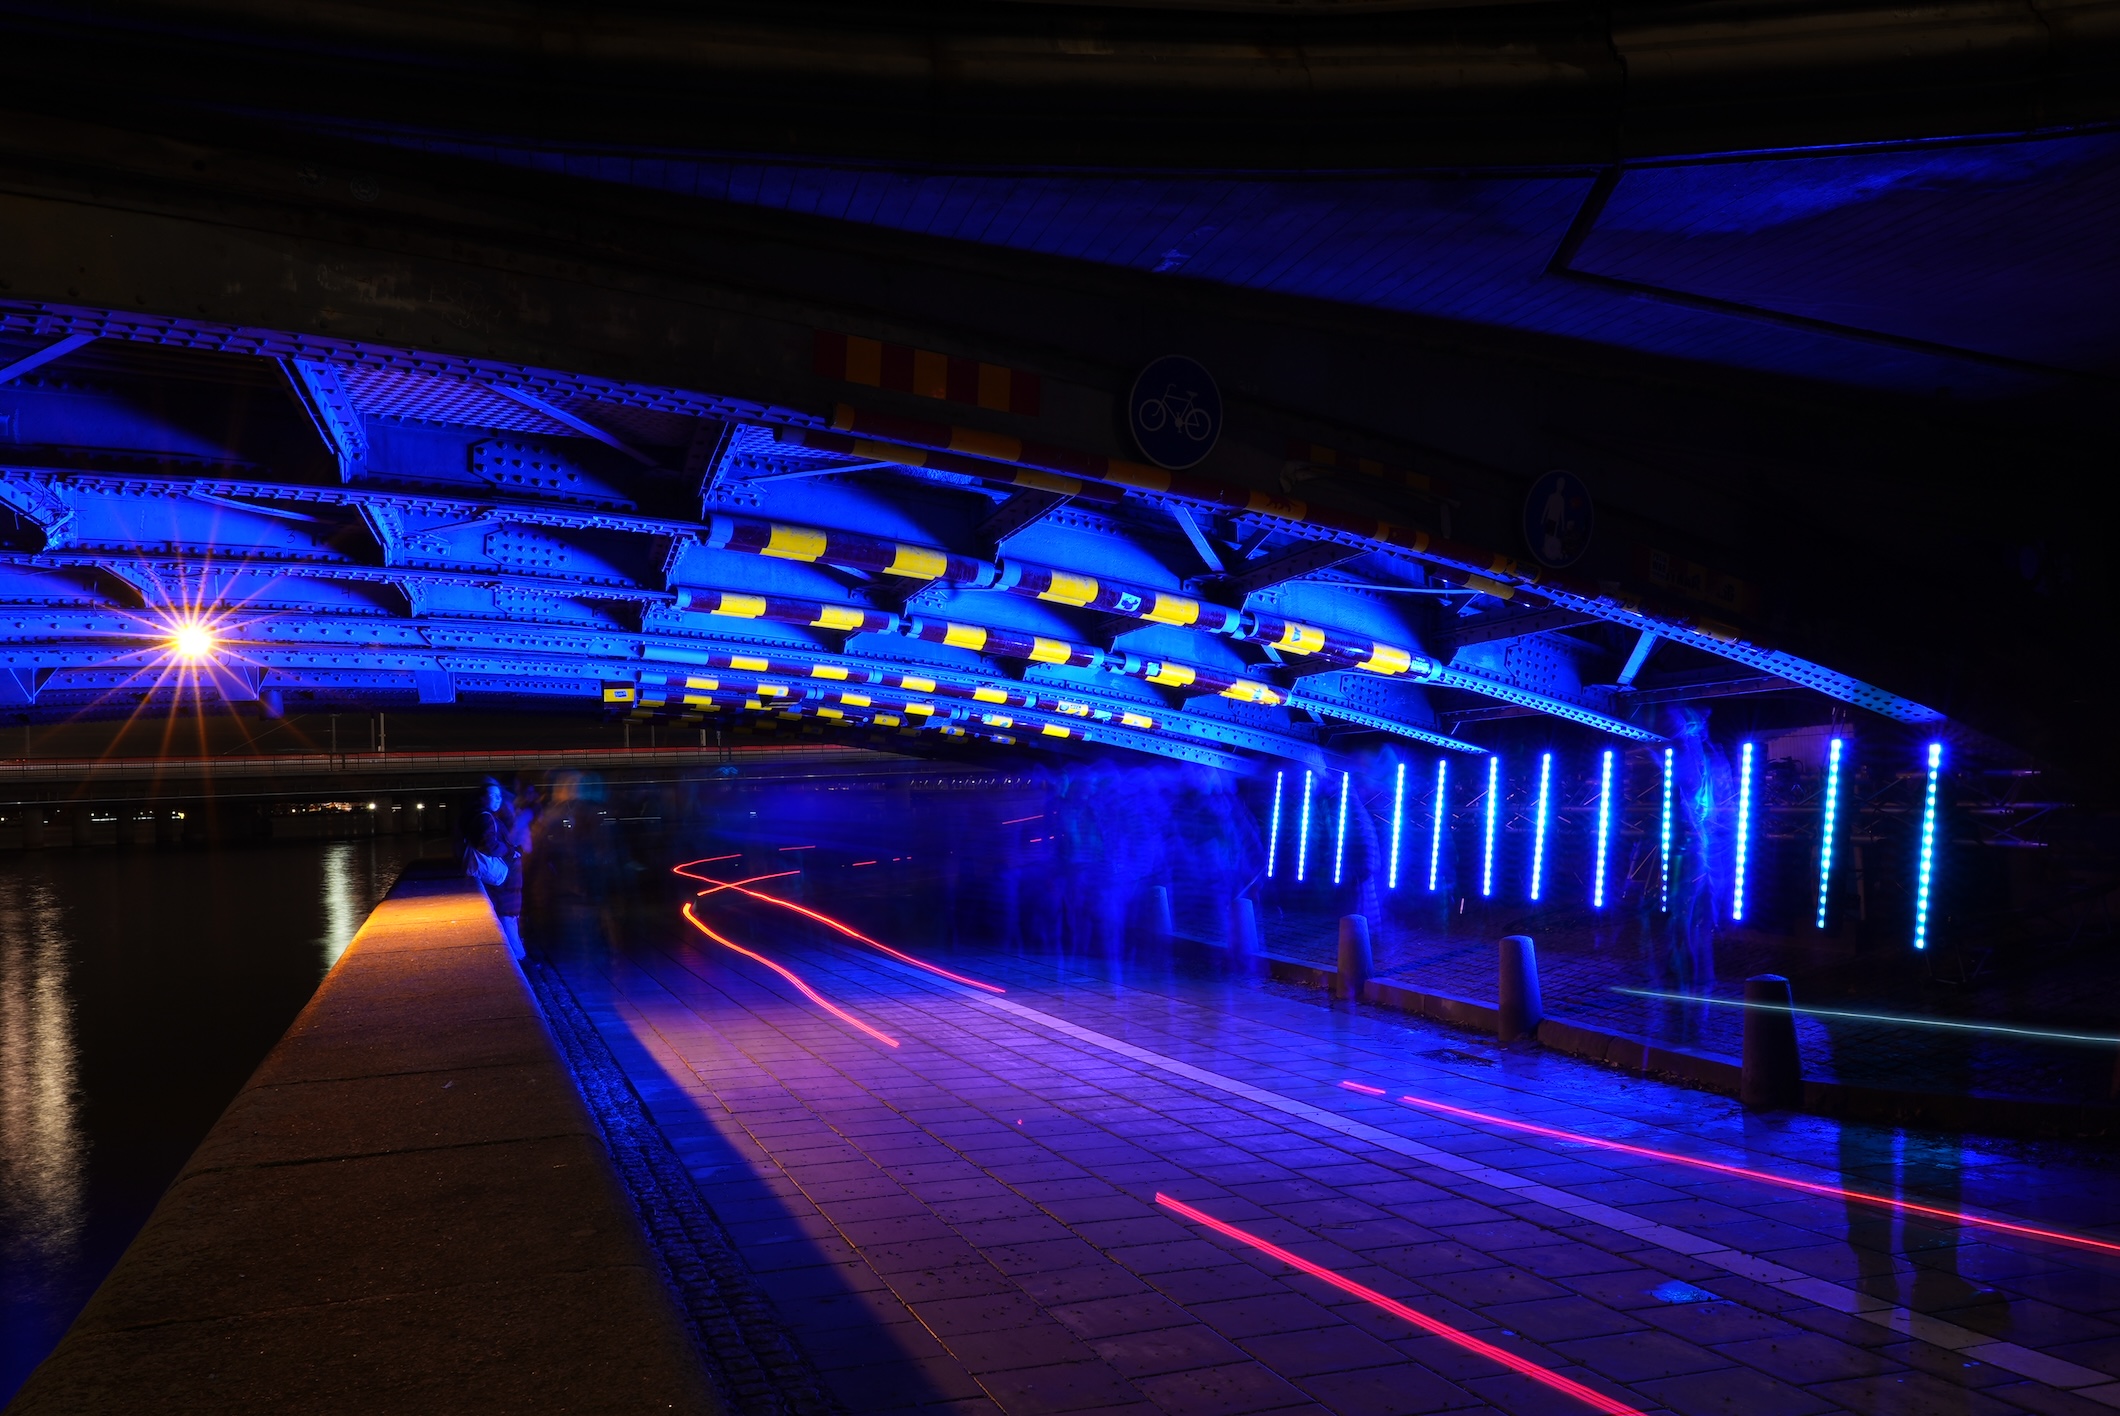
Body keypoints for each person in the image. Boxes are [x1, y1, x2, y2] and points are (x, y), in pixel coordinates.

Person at [466, 776, 529, 959]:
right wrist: (510, 851)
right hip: (504, 882)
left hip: (506, 882)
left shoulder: (487, 816)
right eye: (492, 795)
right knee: (508, 918)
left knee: (508, 918)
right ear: (482, 798)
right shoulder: (486, 818)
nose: (497, 800)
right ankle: (518, 959)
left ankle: (518, 956)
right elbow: (489, 845)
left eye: (499, 796)